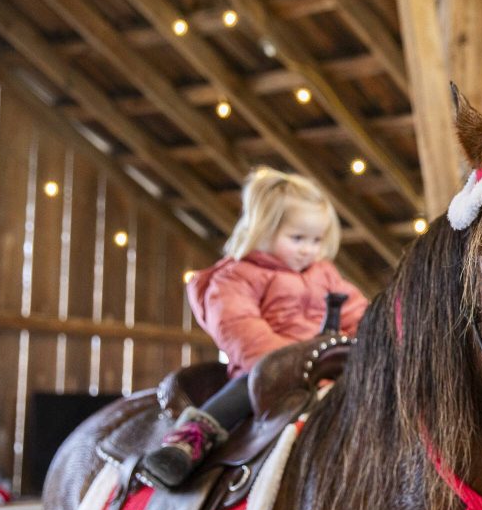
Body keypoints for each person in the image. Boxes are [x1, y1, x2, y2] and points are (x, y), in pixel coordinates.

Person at [141, 167, 368, 488]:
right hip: (268, 372)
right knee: (242, 390)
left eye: (316, 240)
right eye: (297, 238)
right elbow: (241, 330)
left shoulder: (325, 274)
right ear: (263, 229)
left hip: (330, 369)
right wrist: (286, 364)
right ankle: (189, 441)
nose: (308, 249)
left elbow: (358, 314)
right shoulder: (236, 277)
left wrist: (366, 346)